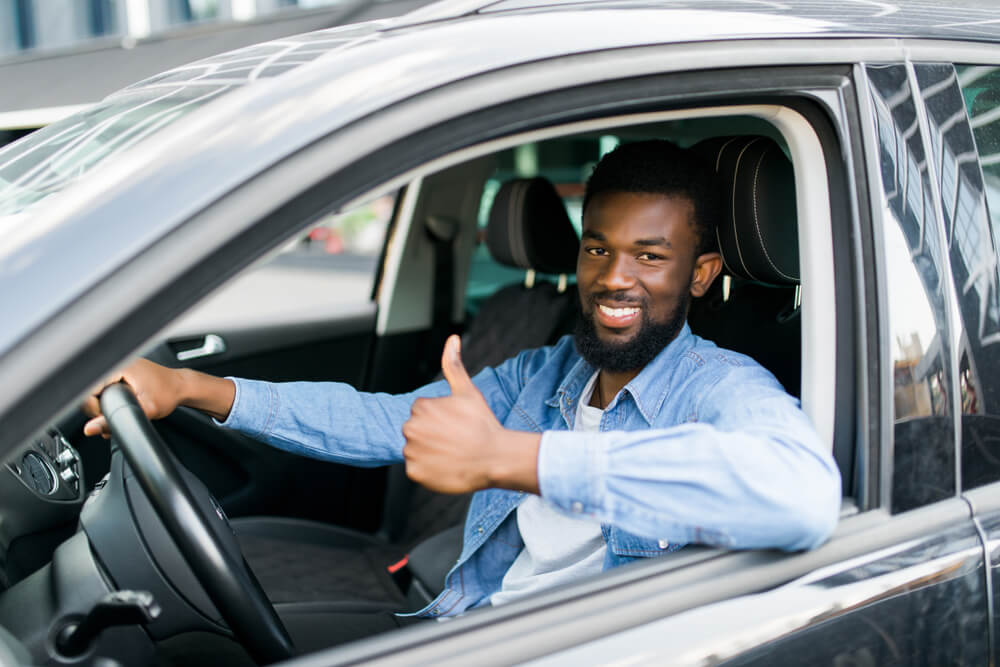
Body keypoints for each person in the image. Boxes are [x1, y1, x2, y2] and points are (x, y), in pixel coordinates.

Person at [83, 140, 841, 620]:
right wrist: (190, 388)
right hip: (472, 618)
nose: (615, 278)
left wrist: (514, 459)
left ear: (702, 272)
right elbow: (383, 421)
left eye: (650, 256)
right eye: (598, 250)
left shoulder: (721, 387)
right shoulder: (548, 372)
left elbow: (801, 492)